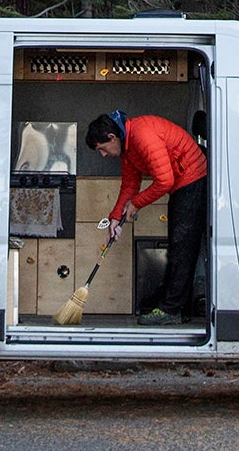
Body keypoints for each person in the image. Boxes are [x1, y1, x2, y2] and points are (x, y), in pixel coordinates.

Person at [85, 110, 208, 325]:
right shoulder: (128, 148)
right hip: (181, 182)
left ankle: (171, 310)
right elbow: (130, 184)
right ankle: (175, 307)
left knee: (182, 244)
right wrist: (115, 217)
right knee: (180, 244)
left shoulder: (142, 136)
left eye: (102, 149)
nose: (103, 155)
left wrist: (136, 203)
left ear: (112, 138)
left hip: (193, 177)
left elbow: (164, 181)